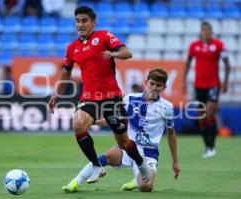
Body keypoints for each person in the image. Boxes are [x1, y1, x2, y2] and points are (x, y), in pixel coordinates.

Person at [48, 5, 149, 185]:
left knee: (124, 142)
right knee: (78, 124)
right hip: (89, 98)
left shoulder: (104, 36)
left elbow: (127, 52)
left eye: (84, 21)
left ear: (93, 22)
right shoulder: (72, 48)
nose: (80, 24)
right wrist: (57, 94)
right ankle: (96, 165)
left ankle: (141, 164)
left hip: (112, 97)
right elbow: (66, 72)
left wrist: (113, 53)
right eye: (77, 21)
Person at [62, 68, 180, 193]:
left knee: (146, 187)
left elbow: (171, 133)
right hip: (127, 146)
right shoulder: (130, 99)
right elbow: (115, 118)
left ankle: (135, 181)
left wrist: (175, 161)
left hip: (149, 154)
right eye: (152, 83)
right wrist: (93, 121)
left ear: (164, 87)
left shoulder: (167, 107)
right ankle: (75, 182)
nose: (154, 88)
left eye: (159, 85)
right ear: (146, 82)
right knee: (105, 157)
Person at [182, 21, 231, 158]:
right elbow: (187, 64)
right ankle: (207, 146)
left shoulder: (219, 45)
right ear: (201, 32)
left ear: (211, 32)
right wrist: (184, 82)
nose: (206, 32)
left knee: (210, 113)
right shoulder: (194, 46)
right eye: (204, 30)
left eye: (208, 30)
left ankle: (212, 146)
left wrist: (226, 82)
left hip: (213, 85)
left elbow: (227, 65)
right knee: (201, 117)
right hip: (199, 86)